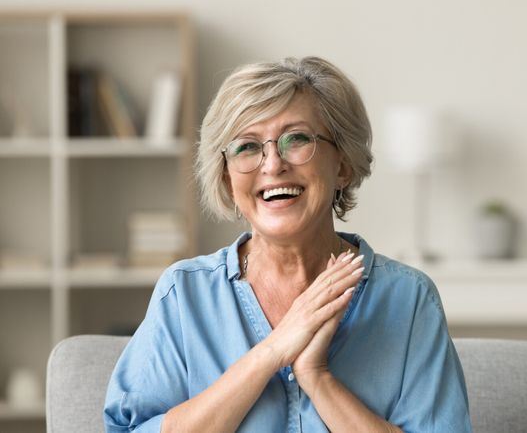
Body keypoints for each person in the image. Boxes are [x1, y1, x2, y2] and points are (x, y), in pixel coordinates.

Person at [104, 56, 472, 432]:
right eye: (247, 146)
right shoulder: (185, 294)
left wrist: (316, 377)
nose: (272, 164)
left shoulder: (408, 299)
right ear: (228, 178)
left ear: (342, 165)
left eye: (296, 139)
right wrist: (270, 352)